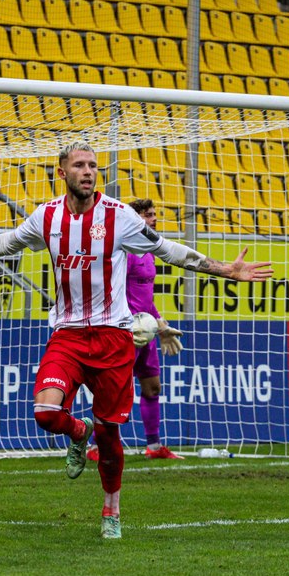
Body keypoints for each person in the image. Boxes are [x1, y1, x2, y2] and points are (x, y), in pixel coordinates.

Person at [0, 142, 273, 539]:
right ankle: (77, 432)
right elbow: (11, 241)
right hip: (68, 336)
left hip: (112, 338)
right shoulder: (48, 216)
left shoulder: (120, 216)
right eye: (79, 165)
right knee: (43, 412)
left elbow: (167, 250)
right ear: (62, 172)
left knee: (110, 435)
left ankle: (111, 510)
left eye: (93, 165)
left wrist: (224, 269)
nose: (88, 171)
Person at [87, 198, 184, 463]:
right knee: (116, 391)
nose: (154, 219)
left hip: (146, 331)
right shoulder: (125, 253)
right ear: (134, 219)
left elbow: (146, 298)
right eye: (148, 215)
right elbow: (112, 291)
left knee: (152, 387)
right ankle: (95, 446)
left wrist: (160, 324)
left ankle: (154, 445)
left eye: (155, 215)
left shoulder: (150, 252)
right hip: (124, 332)